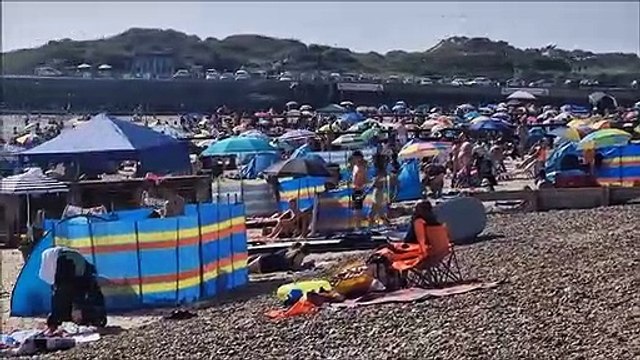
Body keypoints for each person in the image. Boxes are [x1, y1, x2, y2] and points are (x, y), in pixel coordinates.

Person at [40, 246, 107, 332]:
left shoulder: (65, 265)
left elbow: (60, 295)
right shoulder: (83, 270)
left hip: (83, 302)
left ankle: (74, 316)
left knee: (64, 294)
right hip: (91, 307)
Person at [247, 242, 313, 274]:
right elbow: (295, 267)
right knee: (245, 272)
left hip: (265, 258)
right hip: (267, 265)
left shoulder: (289, 250)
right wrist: (306, 266)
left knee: (244, 270)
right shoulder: (300, 254)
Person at [368, 156, 391, 227]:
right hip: (380, 192)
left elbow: (376, 182)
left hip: (378, 192)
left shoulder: (380, 171)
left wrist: (368, 189)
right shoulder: (383, 171)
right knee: (377, 210)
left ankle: (371, 226)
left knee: (374, 210)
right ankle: (386, 223)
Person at [350, 150, 368, 228]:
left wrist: (359, 187)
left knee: (357, 208)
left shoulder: (361, 168)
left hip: (359, 189)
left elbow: (362, 180)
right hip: (355, 189)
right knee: (356, 208)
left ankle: (358, 226)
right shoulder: (355, 167)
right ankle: (357, 225)